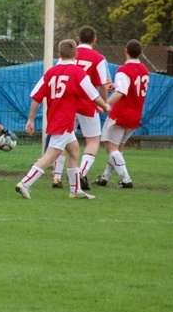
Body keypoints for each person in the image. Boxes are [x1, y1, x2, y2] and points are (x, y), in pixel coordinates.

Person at [15, 39, 110, 200]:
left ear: (59, 55)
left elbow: (36, 98)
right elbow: (93, 95)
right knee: (51, 155)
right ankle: (25, 183)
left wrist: (30, 120)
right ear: (76, 54)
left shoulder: (51, 72)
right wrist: (106, 106)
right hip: (64, 120)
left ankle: (75, 190)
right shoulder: (78, 73)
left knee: (73, 150)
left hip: (54, 117)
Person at [51, 26, 108, 190]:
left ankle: (56, 177)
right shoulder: (98, 58)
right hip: (87, 103)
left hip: (67, 103)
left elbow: (58, 73)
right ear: (95, 40)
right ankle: (80, 172)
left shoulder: (67, 54)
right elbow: (103, 85)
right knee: (93, 140)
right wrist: (103, 104)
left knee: (62, 139)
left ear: (78, 38)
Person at [94, 39, 149, 189]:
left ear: (125, 50)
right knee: (118, 149)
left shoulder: (124, 70)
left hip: (121, 114)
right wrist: (117, 85)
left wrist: (106, 104)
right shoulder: (144, 69)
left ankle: (126, 180)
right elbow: (129, 88)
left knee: (110, 148)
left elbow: (121, 92)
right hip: (136, 114)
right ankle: (104, 177)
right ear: (141, 53)